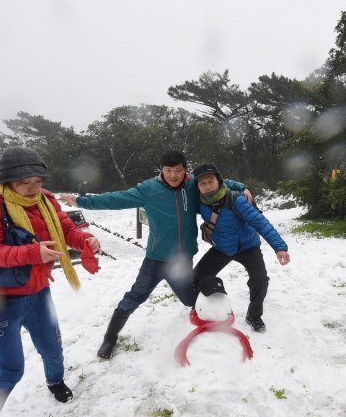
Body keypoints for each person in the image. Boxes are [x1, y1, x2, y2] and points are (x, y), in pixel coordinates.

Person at [0, 146, 101, 417]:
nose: (34, 188)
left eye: (38, 180)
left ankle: (55, 382)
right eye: (26, 182)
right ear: (7, 180)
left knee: (52, 345)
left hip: (38, 291)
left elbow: (65, 229)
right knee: (9, 369)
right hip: (2, 299)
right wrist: (31, 253)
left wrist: (84, 239)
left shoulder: (45, 199)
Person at [58, 151, 249, 360]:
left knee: (189, 299)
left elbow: (220, 182)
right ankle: (109, 337)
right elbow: (116, 198)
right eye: (169, 171)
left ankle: (208, 310)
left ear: (185, 170)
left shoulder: (192, 185)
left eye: (178, 170)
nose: (174, 175)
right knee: (135, 296)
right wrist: (82, 202)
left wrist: (242, 187)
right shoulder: (149, 189)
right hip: (155, 260)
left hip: (182, 260)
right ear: (162, 171)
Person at [191, 163, 290, 332]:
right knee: (197, 277)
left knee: (260, 279)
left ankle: (254, 315)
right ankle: (202, 307)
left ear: (219, 181)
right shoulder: (199, 202)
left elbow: (259, 222)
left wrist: (279, 247)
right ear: (197, 186)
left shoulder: (236, 199)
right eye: (202, 183)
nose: (207, 186)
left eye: (211, 181)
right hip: (222, 248)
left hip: (247, 246)